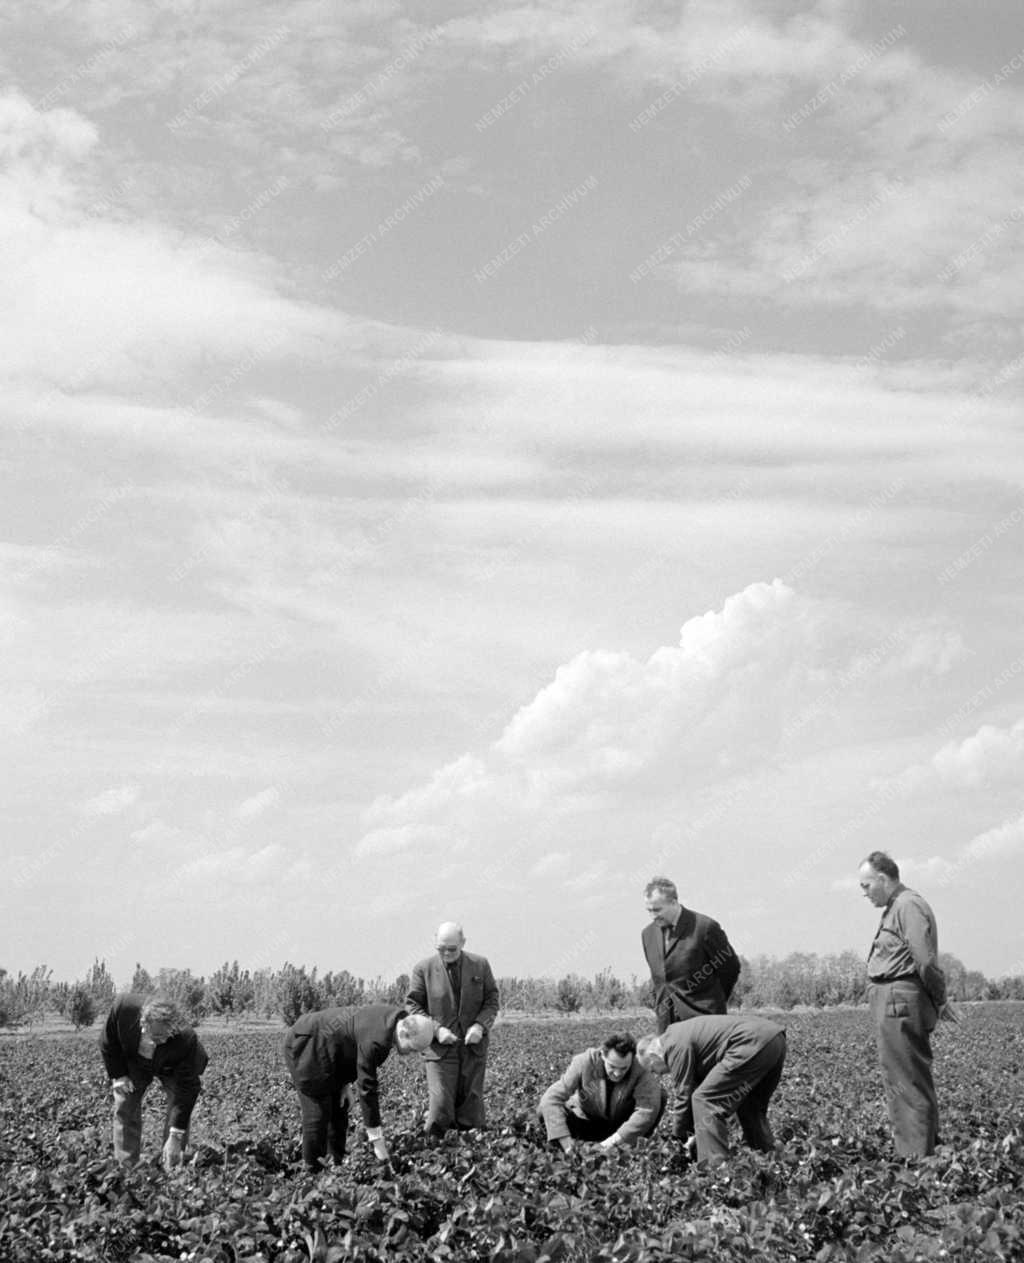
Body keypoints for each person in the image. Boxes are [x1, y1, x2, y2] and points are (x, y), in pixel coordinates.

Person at [859, 850, 952, 1157]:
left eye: (867, 885)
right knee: (907, 1078)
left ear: (883, 879)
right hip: (894, 1002)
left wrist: (940, 999)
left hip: (899, 1002)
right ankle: (923, 1152)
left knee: (906, 1081)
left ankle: (915, 1160)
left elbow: (924, 960)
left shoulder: (908, 905)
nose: (864, 893)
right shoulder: (897, 906)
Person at [283, 1004, 434, 1172]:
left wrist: (344, 1083)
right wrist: (377, 1141)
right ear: (404, 1033)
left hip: (330, 1050)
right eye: (412, 1048)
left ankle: (336, 1165)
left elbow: (351, 1040)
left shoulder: (396, 1018)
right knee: (317, 1113)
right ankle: (312, 1173)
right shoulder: (378, 1038)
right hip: (308, 1044)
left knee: (339, 1109)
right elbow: (367, 1088)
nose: (409, 1053)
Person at [636, 1014, 786, 1165]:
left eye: (653, 1070)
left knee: (705, 1101)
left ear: (654, 1056)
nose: (659, 1075)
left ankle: (715, 1172)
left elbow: (685, 1094)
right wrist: (695, 1133)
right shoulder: (678, 1036)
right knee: (751, 1108)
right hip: (774, 1039)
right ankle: (772, 1163)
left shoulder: (672, 1044)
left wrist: (677, 1138)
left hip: (751, 1042)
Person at [405, 921, 500, 1137]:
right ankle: (437, 1148)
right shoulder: (423, 969)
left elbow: (492, 1000)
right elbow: (413, 1006)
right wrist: (436, 1030)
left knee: (471, 1103)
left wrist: (479, 1025)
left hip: (472, 1046)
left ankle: (472, 1150)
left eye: (452, 949)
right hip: (439, 1048)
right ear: (435, 943)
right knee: (440, 1104)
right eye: (441, 949)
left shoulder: (480, 965)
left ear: (463, 943)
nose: (446, 953)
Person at [100, 992, 208, 1169]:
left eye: (167, 1036)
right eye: (158, 1037)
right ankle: (128, 1166)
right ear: (144, 1024)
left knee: (177, 1106)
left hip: (172, 1065)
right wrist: (119, 1075)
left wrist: (176, 1135)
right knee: (125, 1102)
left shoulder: (184, 1039)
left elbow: (187, 1090)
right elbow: (108, 1041)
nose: (163, 1040)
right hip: (135, 1060)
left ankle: (172, 1163)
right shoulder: (124, 1008)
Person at [537, 1032, 666, 1152]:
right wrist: (568, 1147)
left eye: (623, 1068)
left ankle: (628, 1147)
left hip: (620, 1129)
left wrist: (607, 1145)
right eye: (612, 1066)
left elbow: (646, 1110)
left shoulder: (640, 1068)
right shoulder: (584, 1062)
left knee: (659, 1096)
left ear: (632, 1059)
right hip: (586, 1122)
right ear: (603, 1055)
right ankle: (571, 1145)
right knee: (544, 1110)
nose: (617, 1073)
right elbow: (551, 1099)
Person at [642, 876, 739, 1032]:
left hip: (704, 1021)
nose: (653, 915)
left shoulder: (704, 927)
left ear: (673, 902)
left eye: (657, 910)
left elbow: (730, 968)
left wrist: (713, 1001)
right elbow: (660, 979)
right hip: (667, 1025)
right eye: (649, 910)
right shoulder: (647, 934)